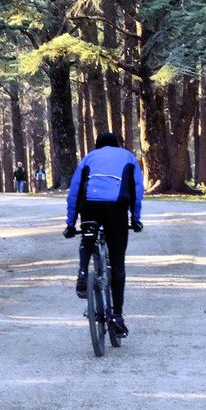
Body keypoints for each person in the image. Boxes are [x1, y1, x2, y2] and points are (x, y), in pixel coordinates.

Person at [64, 131, 143, 336]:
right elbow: (137, 189)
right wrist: (135, 219)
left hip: (89, 206)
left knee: (87, 236)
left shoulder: (89, 157)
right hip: (117, 209)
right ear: (117, 144)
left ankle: (82, 272)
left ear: (97, 145)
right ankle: (117, 316)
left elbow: (74, 190)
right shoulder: (128, 157)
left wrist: (71, 223)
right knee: (117, 263)